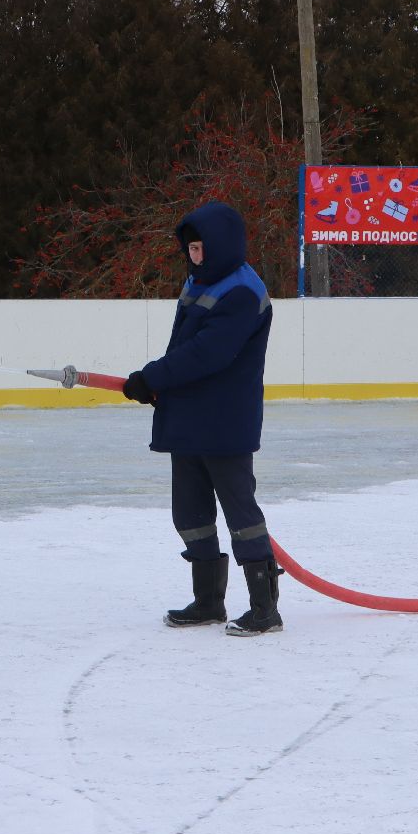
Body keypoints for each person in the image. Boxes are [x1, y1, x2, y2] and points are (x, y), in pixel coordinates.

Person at [122, 201, 281, 636]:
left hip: (224, 422)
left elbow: (206, 353)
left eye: (201, 248)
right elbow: (185, 351)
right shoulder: (199, 281)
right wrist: (162, 387)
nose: (195, 257)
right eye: (190, 249)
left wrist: (153, 376)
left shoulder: (243, 292)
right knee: (189, 514)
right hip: (189, 419)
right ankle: (208, 602)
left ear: (222, 246)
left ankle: (265, 608)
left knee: (241, 516)